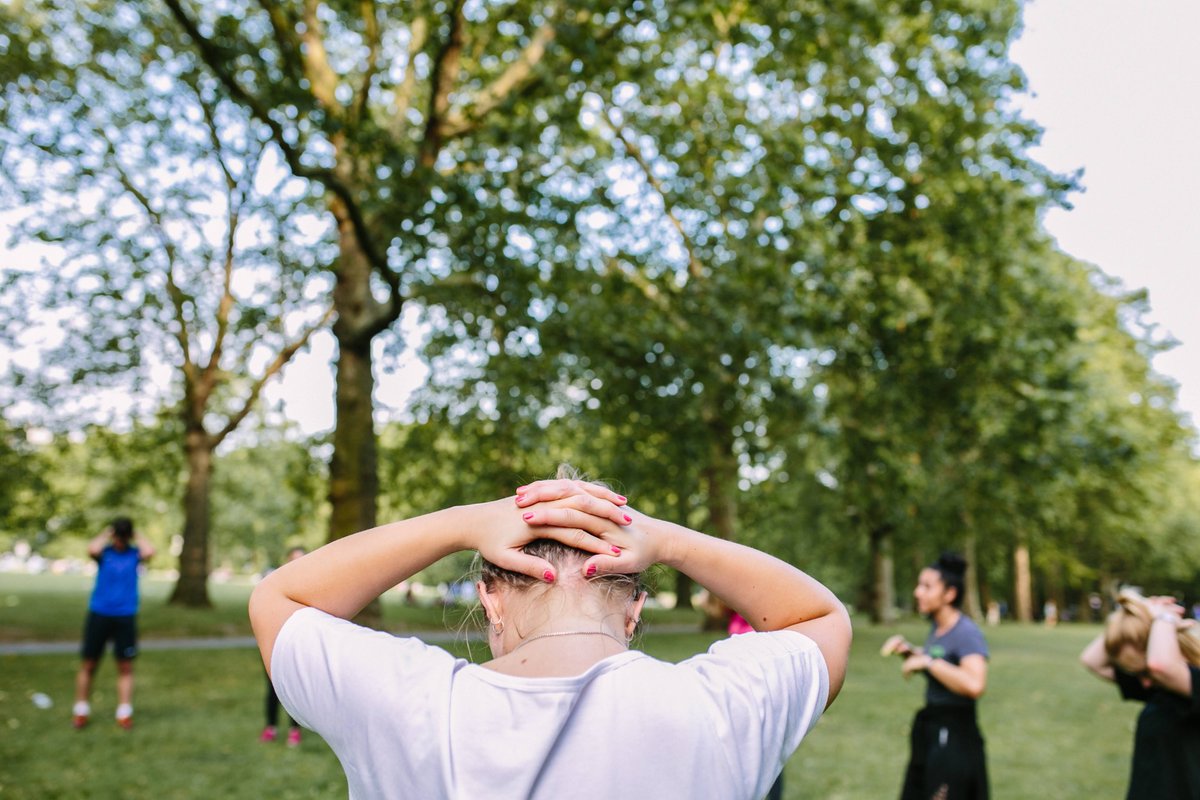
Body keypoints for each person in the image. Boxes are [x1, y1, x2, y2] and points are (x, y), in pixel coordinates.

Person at [249, 471, 852, 799]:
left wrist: (464, 522)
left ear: (490, 597)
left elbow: (281, 598)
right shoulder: (722, 709)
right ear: (635, 608)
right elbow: (821, 620)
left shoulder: (407, 704)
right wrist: (669, 539)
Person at [883, 552, 989, 800]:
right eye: (919, 585)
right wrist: (912, 653)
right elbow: (945, 666)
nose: (918, 592)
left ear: (950, 594)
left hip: (955, 734)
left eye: (927, 587)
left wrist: (929, 662)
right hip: (931, 727)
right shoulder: (938, 627)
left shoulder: (966, 632)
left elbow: (975, 684)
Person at [1080, 589, 1200, 799]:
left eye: (1145, 672)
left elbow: (1160, 666)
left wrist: (1164, 618)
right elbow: (1092, 660)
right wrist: (1135, 617)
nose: (1143, 682)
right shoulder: (1159, 688)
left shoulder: (1188, 682)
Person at [73, 517, 155, 729]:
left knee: (125, 666)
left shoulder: (134, 555)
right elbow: (91, 548)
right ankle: (81, 710)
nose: (119, 541)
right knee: (89, 663)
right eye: (118, 536)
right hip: (99, 613)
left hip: (125, 616)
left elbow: (150, 551)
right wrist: (107, 533)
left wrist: (135, 534)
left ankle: (124, 712)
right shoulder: (105, 553)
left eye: (123, 536)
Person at [260, 546, 306, 746]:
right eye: (294, 559)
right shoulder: (278, 586)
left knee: (294, 687)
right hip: (275, 641)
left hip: (298, 643)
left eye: (302, 559)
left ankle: (294, 730)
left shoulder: (313, 587)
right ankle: (271, 727)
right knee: (272, 688)